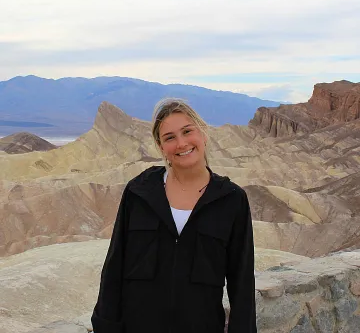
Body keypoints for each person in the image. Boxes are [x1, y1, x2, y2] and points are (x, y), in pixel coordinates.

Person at [91, 98, 257, 333]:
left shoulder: (231, 200)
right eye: (169, 137)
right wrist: (105, 327)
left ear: (203, 134)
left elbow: (241, 282)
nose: (181, 143)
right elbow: (114, 267)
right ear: (161, 148)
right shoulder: (139, 193)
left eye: (187, 131)